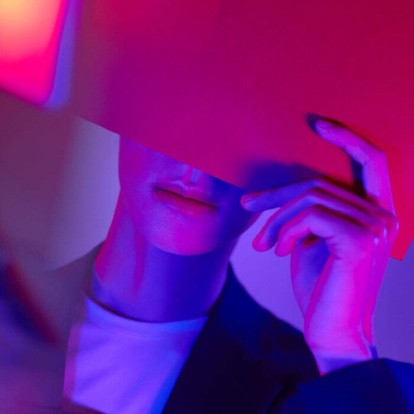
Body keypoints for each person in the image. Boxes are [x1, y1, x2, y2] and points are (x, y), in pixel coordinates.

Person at [55, 114, 412, 413]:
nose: (194, 167)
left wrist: (343, 352)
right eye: (176, 112)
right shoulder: (24, 307)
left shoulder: (319, 390)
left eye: (241, 138)